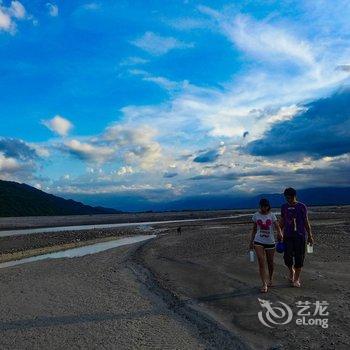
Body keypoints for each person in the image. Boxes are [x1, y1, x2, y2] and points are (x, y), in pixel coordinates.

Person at [280, 187, 314, 288]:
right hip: (287, 236)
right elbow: (282, 221)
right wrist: (278, 232)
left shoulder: (302, 206)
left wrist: (310, 236)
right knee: (287, 258)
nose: (288, 200)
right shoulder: (284, 207)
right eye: (286, 198)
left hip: (300, 236)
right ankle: (291, 271)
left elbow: (306, 222)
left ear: (294, 196)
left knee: (299, 258)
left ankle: (296, 279)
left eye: (290, 198)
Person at [249, 198, 283, 293]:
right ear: (260, 206)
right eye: (262, 206)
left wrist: (280, 233)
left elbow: (277, 226)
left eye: (266, 206)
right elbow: (254, 229)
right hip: (258, 241)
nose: (264, 208)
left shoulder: (272, 215)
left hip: (270, 242)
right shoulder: (256, 215)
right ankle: (264, 284)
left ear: (268, 206)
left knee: (270, 262)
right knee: (261, 261)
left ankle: (270, 279)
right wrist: (251, 242)